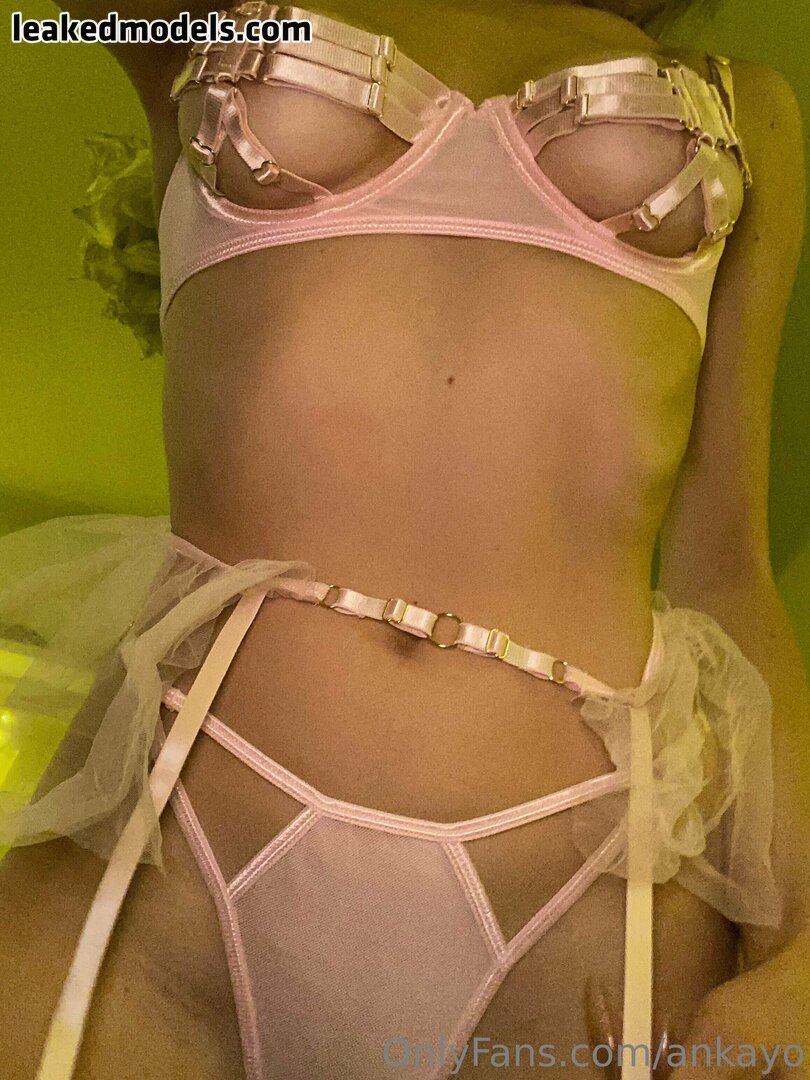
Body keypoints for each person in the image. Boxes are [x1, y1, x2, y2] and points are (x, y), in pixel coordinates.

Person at [1, 1, 808, 1078]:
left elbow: (728, 570)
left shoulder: (753, 110)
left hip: (587, 891)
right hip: (178, 826)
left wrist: (805, 958)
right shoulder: (195, 22)